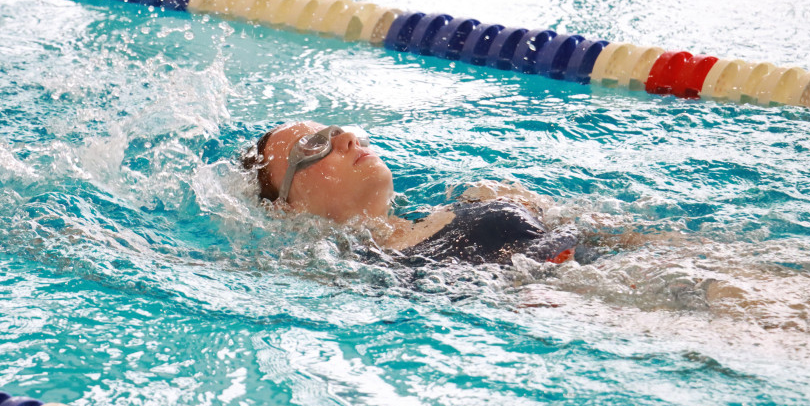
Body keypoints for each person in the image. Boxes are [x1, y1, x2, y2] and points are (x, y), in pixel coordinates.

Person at [241, 121, 578, 266]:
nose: (348, 141)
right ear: (287, 210)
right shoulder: (366, 272)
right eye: (314, 146)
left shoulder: (475, 198)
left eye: (341, 132)